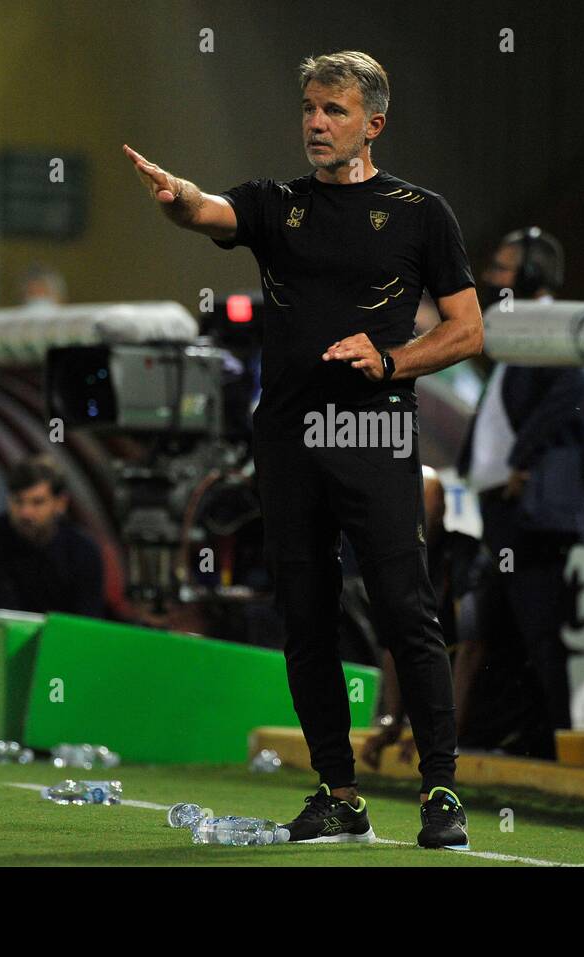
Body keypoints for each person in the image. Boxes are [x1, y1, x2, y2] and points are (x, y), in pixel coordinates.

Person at [123, 50, 483, 849]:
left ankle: (442, 792)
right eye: (311, 110)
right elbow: (208, 212)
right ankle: (337, 792)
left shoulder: (423, 213)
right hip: (286, 438)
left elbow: (468, 329)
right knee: (307, 615)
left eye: (335, 112)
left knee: (405, 609)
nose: (317, 123)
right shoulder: (275, 205)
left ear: (373, 124)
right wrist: (176, 196)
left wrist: (390, 362)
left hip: (374, 432)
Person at [455, 227, 584, 746]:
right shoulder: (518, 326)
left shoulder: (546, 323)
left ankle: (559, 742)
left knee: (537, 632)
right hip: (505, 510)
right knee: (501, 633)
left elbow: (575, 388)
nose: (492, 276)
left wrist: (522, 457)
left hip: (528, 513)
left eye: (505, 266)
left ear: (534, 272)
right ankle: (527, 737)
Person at [360, 466, 491, 768]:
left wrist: (448, 732)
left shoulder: (463, 553)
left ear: (443, 507)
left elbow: (472, 647)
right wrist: (393, 722)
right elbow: (394, 646)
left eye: (425, 500)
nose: (415, 508)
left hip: (481, 707)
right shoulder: (395, 562)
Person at [0, 454, 105, 617]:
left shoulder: (83, 550)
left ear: (60, 503)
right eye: (18, 501)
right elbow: (1, 606)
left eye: (37, 502)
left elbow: (86, 620)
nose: (26, 513)